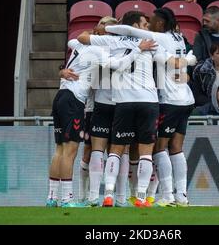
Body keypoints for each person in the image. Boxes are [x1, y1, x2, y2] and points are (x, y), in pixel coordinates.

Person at [104, 8, 198, 207]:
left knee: (158, 148)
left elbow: (130, 31)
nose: (150, 25)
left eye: (152, 21)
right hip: (186, 98)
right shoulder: (179, 37)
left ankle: (166, 195)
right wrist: (189, 61)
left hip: (168, 99)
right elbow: (179, 66)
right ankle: (181, 195)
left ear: (161, 24)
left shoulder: (159, 38)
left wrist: (108, 27)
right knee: (176, 148)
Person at [46, 31, 150, 208]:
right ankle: (66, 199)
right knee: (70, 152)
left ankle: (52, 197)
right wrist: (137, 49)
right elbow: (119, 64)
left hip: (60, 97)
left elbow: (72, 40)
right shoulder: (97, 51)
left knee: (59, 150)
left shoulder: (79, 46)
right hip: (74, 99)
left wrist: (61, 71)